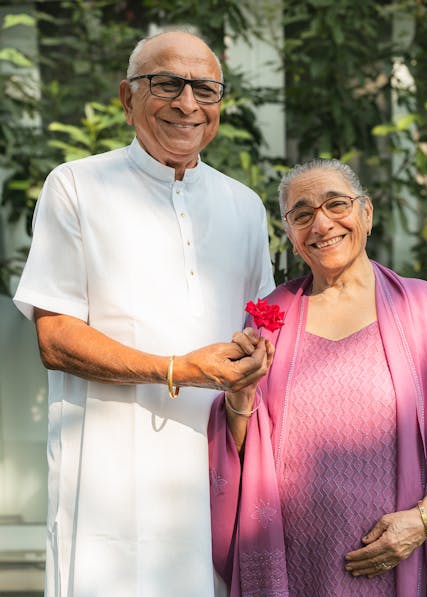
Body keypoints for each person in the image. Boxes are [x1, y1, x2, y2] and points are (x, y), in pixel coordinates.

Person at [13, 31, 275, 597]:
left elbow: (260, 328)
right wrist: (179, 369)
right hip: (108, 483)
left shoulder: (245, 206)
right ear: (127, 98)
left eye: (205, 88)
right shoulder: (77, 186)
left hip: (216, 483)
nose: (188, 103)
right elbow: (55, 338)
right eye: (167, 84)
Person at [208, 158, 427, 596]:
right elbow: (241, 450)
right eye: (302, 214)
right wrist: (239, 396)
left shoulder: (423, 308)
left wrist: (422, 522)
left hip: (409, 562)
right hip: (300, 572)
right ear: (290, 234)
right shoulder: (270, 318)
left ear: (367, 212)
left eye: (335, 204)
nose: (321, 224)